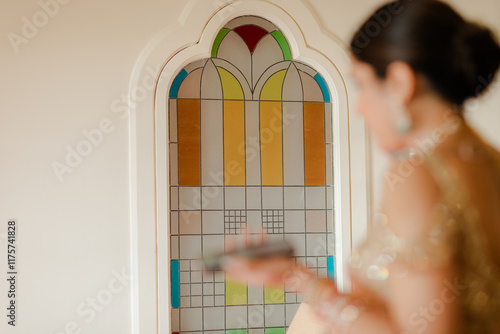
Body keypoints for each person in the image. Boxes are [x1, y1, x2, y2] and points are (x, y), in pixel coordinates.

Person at [221, 0, 500, 333]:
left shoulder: (418, 178)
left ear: (399, 82)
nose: (360, 108)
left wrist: (303, 283)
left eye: (362, 85)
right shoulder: (489, 162)